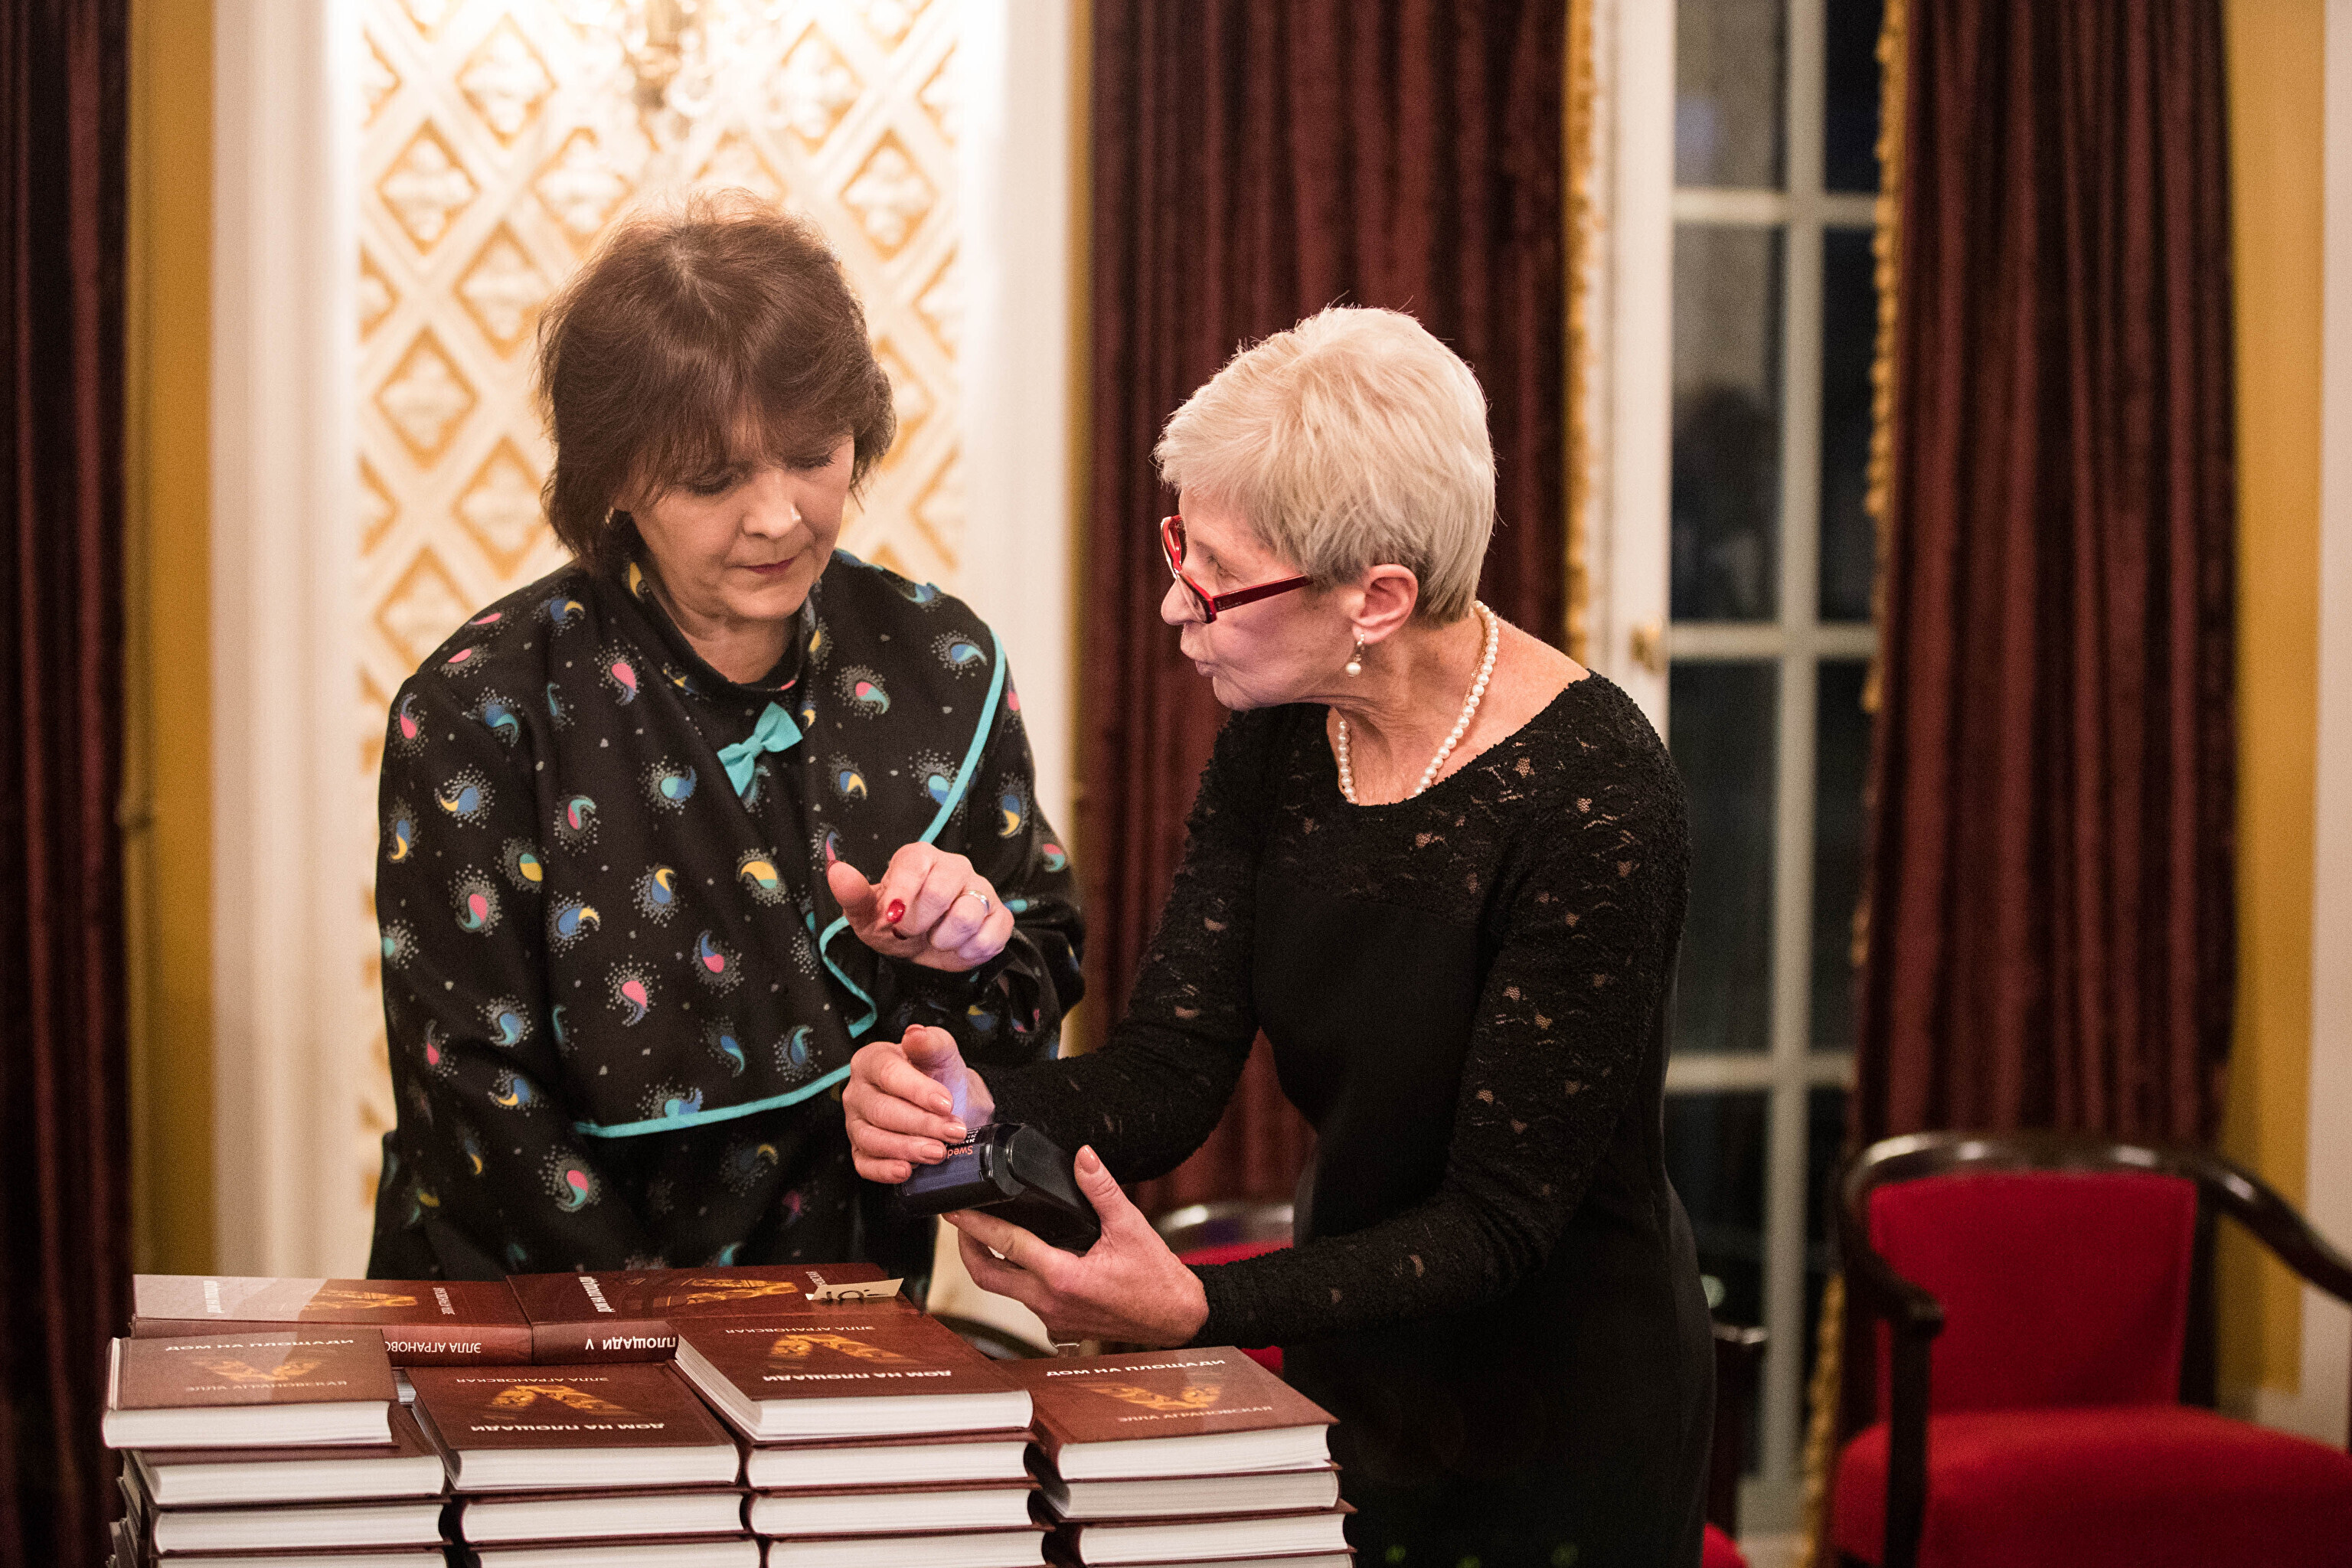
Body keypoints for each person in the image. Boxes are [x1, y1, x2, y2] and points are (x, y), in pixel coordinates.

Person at [846, 307, 1713, 1565]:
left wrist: (1199, 1304)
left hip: (1566, 1409)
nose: (1172, 603)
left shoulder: (1597, 795)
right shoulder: (1281, 736)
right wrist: (974, 1109)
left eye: (1213, 572)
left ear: (1379, 597)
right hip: (1355, 1355)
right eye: (1180, 547)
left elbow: (1497, 1224)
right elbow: (1171, 1070)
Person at [367, 191, 1082, 1283]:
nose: (780, 516)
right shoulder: (483, 709)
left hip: (846, 1306)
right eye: (714, 479)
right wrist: (664, 1336)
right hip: (550, 1319)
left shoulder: (941, 664)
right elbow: (472, 1093)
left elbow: (1028, 998)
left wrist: (965, 963)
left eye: (814, 455)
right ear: (614, 477)